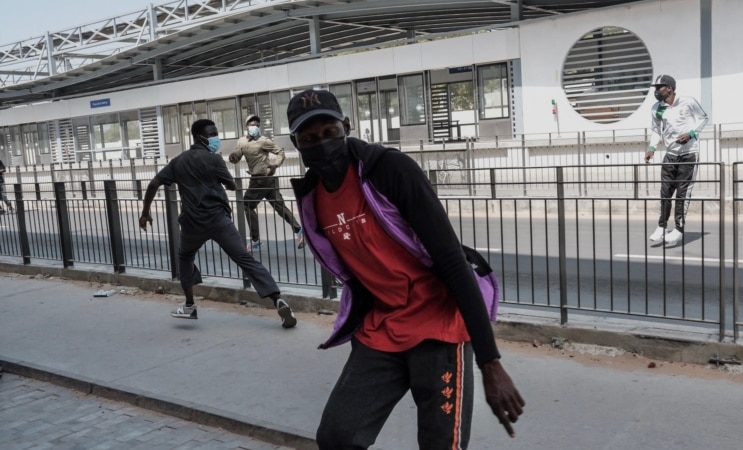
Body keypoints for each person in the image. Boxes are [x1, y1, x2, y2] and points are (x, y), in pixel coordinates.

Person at [287, 89, 524, 449]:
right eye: (309, 138)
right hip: (382, 328)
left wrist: (490, 362)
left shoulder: (389, 170)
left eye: (329, 132)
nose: (321, 144)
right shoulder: (312, 196)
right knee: (337, 437)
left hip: (438, 327)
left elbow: (451, 260)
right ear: (297, 144)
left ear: (346, 127)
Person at [138, 119, 297, 328]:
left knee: (185, 257)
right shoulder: (214, 160)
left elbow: (153, 184)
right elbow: (231, 185)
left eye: (215, 133)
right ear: (199, 137)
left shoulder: (178, 161)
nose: (216, 138)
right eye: (212, 134)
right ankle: (277, 299)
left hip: (192, 223)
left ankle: (189, 305)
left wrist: (145, 212)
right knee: (245, 259)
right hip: (219, 220)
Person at [645, 74, 708, 246]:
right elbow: (656, 130)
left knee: (682, 194)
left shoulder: (687, 102)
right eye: (656, 88)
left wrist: (691, 134)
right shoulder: (656, 108)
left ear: (670, 88)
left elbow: (704, 118)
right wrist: (651, 148)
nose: (657, 91)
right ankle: (662, 226)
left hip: (689, 154)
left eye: (659, 87)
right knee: (665, 193)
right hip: (670, 155)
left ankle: (679, 229)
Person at [228, 115, 305, 251]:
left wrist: (275, 164)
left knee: (247, 204)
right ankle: (299, 231)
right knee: (279, 206)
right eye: (252, 124)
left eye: (257, 125)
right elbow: (236, 157)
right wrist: (232, 157)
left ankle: (255, 240)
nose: (255, 127)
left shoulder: (263, 140)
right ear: (246, 126)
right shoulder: (241, 142)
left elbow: (280, 152)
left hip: (261, 179)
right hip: (263, 180)